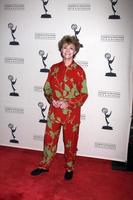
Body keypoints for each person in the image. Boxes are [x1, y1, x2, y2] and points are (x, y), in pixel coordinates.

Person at [31, 35, 88, 180]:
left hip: (71, 114)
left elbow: (84, 94)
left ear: (75, 51)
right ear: (61, 50)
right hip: (54, 113)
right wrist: (52, 100)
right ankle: (44, 165)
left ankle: (69, 167)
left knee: (70, 142)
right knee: (49, 140)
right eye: (65, 48)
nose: (67, 51)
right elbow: (47, 89)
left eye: (71, 48)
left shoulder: (79, 71)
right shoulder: (54, 69)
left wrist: (68, 103)